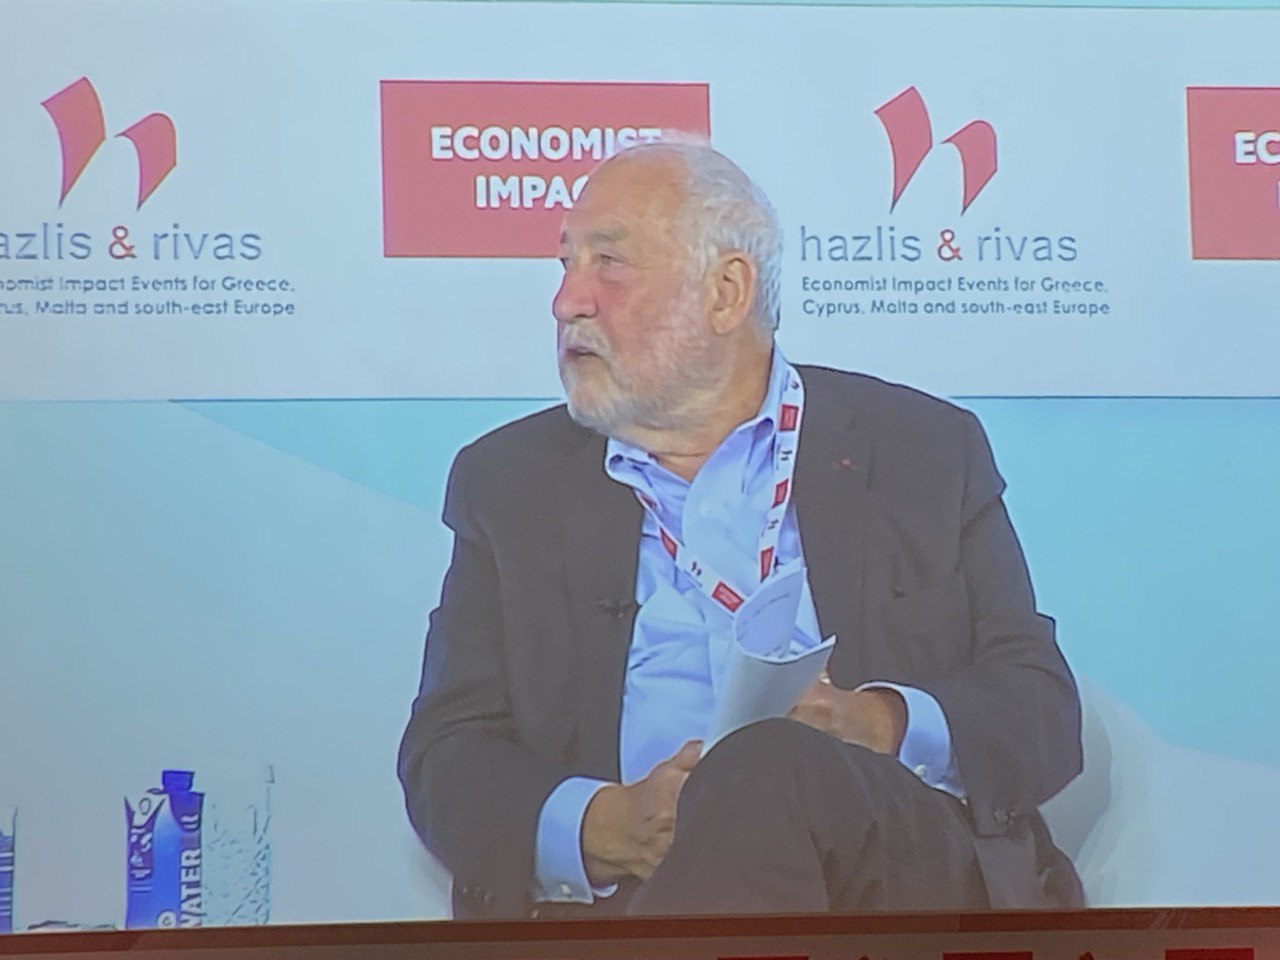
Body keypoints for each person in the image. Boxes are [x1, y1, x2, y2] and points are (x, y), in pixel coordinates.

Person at [398, 138, 1083, 920]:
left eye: (608, 264)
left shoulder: (919, 450)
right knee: (750, 788)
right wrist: (602, 824)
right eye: (566, 264)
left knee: (768, 764)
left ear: (726, 292)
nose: (567, 301)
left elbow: (1040, 713)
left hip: (895, 889)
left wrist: (879, 722)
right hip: (628, 905)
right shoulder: (508, 483)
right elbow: (446, 756)